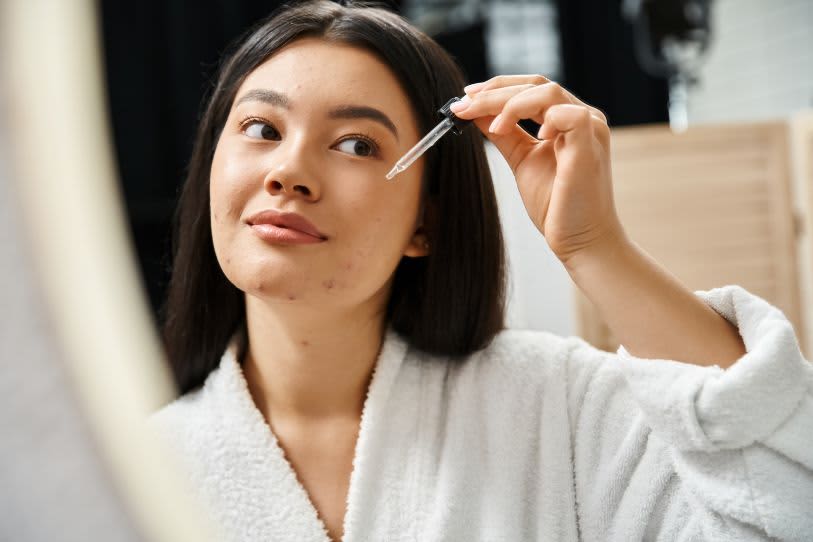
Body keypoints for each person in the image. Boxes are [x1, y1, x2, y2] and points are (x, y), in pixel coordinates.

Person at [149, 1, 813, 541]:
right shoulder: (141, 464)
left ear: (424, 224)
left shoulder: (558, 409)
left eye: (357, 144)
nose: (288, 172)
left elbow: (779, 504)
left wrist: (594, 244)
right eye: (262, 129)